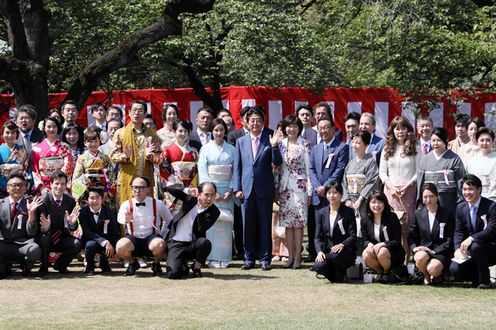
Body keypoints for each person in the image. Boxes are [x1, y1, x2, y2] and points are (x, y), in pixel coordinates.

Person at [233, 106, 283, 271]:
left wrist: (274, 146)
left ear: (263, 122)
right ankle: (249, 258)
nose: (255, 123)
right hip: (246, 189)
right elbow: (238, 167)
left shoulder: (269, 138)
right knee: (247, 226)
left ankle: (265, 258)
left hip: (264, 189)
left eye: (258, 120)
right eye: (252, 120)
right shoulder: (241, 142)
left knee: (264, 225)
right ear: (247, 122)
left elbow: (277, 162)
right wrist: (237, 188)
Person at [379, 116, 420, 264]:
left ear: (408, 130)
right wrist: (390, 186)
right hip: (390, 193)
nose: (400, 131)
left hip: (408, 192)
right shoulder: (387, 147)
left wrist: (408, 185)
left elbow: (418, 171)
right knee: (391, 226)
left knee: (406, 228)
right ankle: (389, 258)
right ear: (393, 131)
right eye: (397, 128)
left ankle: (406, 261)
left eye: (403, 128)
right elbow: (382, 172)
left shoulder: (415, 147)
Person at [308, 116, 349, 262]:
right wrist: (318, 186)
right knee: (317, 227)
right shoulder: (315, 149)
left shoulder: (342, 147)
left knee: (332, 226)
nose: (323, 131)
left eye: (326, 127)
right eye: (320, 128)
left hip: (332, 193)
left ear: (333, 128)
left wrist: (325, 187)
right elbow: (311, 169)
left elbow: (339, 169)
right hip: (317, 194)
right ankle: (316, 254)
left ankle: (331, 254)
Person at [198, 118, 235, 268]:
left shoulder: (232, 149)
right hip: (210, 191)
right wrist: (211, 192)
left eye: (221, 130)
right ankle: (212, 257)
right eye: (216, 130)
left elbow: (236, 170)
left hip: (227, 191)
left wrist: (231, 189)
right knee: (211, 224)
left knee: (226, 225)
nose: (219, 133)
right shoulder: (205, 149)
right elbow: (203, 170)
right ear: (211, 132)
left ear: (225, 131)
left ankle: (224, 257)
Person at [116, 176, 172, 276]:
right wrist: (126, 220)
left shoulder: (157, 204)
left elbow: (169, 219)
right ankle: (132, 263)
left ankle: (156, 263)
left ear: (148, 189)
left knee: (160, 244)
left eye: (141, 187)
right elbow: (119, 219)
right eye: (134, 187)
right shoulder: (126, 204)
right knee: (120, 246)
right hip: (133, 238)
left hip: (151, 237)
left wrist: (162, 234)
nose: (137, 190)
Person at [275, 115, 312, 269]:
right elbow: (277, 169)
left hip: (300, 188)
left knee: (298, 225)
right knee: (287, 225)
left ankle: (298, 257)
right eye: (289, 126)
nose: (292, 129)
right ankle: (290, 256)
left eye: (295, 126)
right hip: (284, 188)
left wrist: (309, 191)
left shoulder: (305, 144)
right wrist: (277, 188)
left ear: (299, 128)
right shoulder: (280, 144)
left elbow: (309, 168)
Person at [110, 100, 161, 207]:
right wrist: (124, 156)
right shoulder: (120, 133)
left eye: (140, 110)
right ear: (129, 112)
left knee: (147, 212)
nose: (137, 113)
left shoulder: (152, 134)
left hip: (145, 180)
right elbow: (112, 156)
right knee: (126, 212)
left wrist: (150, 156)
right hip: (127, 179)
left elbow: (158, 158)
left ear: (145, 114)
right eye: (134, 110)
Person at [449, 174, 496, 289]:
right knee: (454, 269)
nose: (467, 192)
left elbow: (491, 230)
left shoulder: (491, 206)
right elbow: (458, 231)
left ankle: (484, 281)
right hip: (470, 250)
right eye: (464, 189)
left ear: (479, 190)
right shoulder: (460, 207)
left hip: (491, 248)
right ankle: (477, 278)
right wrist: (457, 249)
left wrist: (472, 238)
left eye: (470, 189)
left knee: (475, 246)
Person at [165, 182, 221, 279]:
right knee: (173, 274)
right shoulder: (189, 199)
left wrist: (201, 210)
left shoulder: (214, 212)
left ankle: (197, 266)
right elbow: (169, 189)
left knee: (205, 243)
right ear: (199, 193)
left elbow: (201, 228)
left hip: (193, 244)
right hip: (176, 243)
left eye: (212, 195)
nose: (209, 198)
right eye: (206, 194)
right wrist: (188, 190)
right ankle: (182, 265)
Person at [36, 171, 82, 275]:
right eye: (56, 183)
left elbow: (73, 228)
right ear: (51, 184)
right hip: (45, 237)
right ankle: (43, 266)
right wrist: (45, 228)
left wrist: (72, 223)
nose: (59, 187)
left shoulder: (70, 201)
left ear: (66, 185)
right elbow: (37, 226)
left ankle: (61, 265)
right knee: (44, 237)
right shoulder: (42, 200)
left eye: (62, 184)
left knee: (77, 244)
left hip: (61, 238)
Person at [408, 183, 454, 285]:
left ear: (437, 196)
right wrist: (414, 248)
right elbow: (411, 235)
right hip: (423, 251)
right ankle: (426, 275)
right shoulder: (418, 214)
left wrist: (434, 251)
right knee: (419, 257)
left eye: (431, 196)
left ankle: (437, 273)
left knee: (433, 268)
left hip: (440, 252)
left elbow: (449, 239)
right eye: (425, 197)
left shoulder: (447, 214)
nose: (428, 200)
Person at [0, 174, 42, 278]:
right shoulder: (0, 204)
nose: (17, 188)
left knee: (35, 249)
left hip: (23, 244)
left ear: (25, 188)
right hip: (4, 243)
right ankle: (4, 268)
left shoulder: (30, 204)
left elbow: (32, 232)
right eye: (14, 185)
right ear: (8, 188)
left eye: (20, 185)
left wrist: (31, 213)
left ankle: (26, 268)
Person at [314, 182, 357, 283]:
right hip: (328, 250)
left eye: (335, 192)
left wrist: (342, 245)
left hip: (345, 251)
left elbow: (353, 235)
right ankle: (336, 277)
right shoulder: (321, 212)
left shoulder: (348, 212)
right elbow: (317, 237)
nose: (331, 196)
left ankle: (340, 275)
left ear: (341, 194)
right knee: (318, 265)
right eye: (329, 193)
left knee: (335, 256)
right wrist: (319, 251)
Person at [342, 130, 379, 242]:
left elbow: (371, 181)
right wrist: (346, 199)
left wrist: (361, 198)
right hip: (351, 201)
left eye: (358, 143)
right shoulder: (350, 163)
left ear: (366, 145)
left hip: (364, 201)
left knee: (364, 226)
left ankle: (364, 254)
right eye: (353, 142)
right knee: (352, 227)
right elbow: (344, 182)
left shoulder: (370, 161)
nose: (354, 145)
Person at [362, 190, 405, 283]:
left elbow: (397, 241)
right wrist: (369, 244)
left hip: (393, 251)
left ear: (385, 203)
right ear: (369, 204)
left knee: (382, 252)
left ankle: (386, 273)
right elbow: (365, 239)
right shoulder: (365, 219)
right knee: (365, 254)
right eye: (373, 202)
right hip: (375, 251)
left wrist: (383, 244)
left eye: (380, 202)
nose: (376, 205)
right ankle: (379, 272)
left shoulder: (392, 217)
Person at [417, 127, 465, 209]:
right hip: (429, 200)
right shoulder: (425, 159)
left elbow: (460, 181)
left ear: (446, 140)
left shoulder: (454, 159)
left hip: (449, 200)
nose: (435, 143)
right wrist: (420, 200)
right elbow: (420, 182)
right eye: (433, 140)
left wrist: (460, 200)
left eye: (439, 140)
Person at [78, 187, 119, 275]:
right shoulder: (82, 212)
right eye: (92, 198)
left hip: (106, 239)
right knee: (91, 244)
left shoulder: (109, 211)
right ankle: (90, 266)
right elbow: (87, 232)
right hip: (90, 239)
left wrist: (114, 246)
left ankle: (104, 263)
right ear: (87, 200)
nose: (95, 200)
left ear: (102, 198)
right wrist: (105, 242)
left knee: (112, 243)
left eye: (97, 197)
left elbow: (114, 230)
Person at [31, 117, 75, 194]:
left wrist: (59, 183)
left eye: (54, 126)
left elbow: (68, 166)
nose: (51, 129)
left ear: (58, 128)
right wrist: (41, 187)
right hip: (44, 187)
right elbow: (35, 170)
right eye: (49, 127)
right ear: (44, 128)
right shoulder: (36, 148)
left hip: (61, 185)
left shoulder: (65, 147)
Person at [72, 127, 112, 201]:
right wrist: (87, 177)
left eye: (96, 141)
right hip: (87, 192)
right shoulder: (82, 158)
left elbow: (112, 177)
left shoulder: (105, 158)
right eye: (90, 141)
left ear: (99, 142)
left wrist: (106, 190)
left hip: (103, 192)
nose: (93, 144)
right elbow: (76, 178)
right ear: (85, 143)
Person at [160, 119, 199, 192]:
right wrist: (175, 183)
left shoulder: (194, 152)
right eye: (180, 131)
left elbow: (197, 171)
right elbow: (163, 171)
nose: (183, 133)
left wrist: (192, 185)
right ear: (174, 132)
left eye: (185, 131)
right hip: (173, 186)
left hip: (191, 187)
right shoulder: (167, 151)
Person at [465, 127, 496, 201]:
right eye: (482, 140)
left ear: (493, 141)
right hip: (474, 200)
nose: (484, 143)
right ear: (477, 141)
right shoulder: (471, 162)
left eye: (488, 140)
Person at [0, 122, 29, 197]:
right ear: (2, 134)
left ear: (17, 135)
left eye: (13, 133)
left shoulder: (22, 151)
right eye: (7, 132)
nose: (10, 135)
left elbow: (26, 169)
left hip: (19, 187)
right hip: (1, 188)